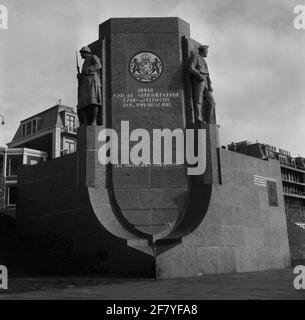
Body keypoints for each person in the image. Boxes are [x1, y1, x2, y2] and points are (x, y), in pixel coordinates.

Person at [189, 45, 216, 124]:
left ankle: (211, 121)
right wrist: (199, 75)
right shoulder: (195, 57)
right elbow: (191, 68)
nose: (207, 52)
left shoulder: (204, 60)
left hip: (206, 81)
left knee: (212, 101)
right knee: (199, 100)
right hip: (199, 80)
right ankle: (198, 119)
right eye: (206, 51)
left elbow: (207, 73)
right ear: (203, 51)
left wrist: (210, 84)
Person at [77, 46, 102, 126]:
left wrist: (88, 69)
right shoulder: (84, 62)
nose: (81, 55)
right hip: (85, 83)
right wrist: (80, 76)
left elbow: (98, 65)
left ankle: (93, 121)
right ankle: (86, 122)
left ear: (86, 52)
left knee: (93, 102)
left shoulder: (93, 57)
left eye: (82, 53)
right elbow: (84, 73)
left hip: (92, 81)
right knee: (83, 103)